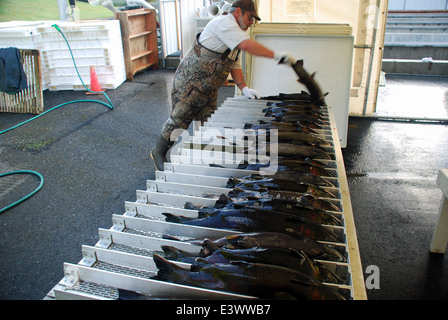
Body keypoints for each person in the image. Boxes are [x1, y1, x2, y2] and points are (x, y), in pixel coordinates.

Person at [150, 0, 295, 171]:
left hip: (208, 87)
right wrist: (277, 55)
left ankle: (200, 157)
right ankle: (158, 152)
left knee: (205, 124)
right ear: (238, 12)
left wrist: (244, 88)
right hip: (189, 83)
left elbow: (234, 64)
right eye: (250, 18)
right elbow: (247, 45)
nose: (251, 23)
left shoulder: (235, 34)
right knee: (179, 121)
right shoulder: (224, 23)